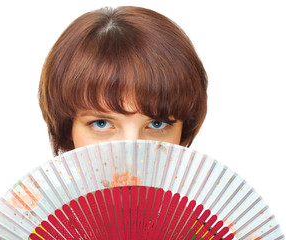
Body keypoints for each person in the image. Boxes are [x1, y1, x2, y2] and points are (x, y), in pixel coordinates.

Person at [39, 6, 208, 156]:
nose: (131, 155)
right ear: (67, 129)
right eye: (102, 123)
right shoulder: (37, 193)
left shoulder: (207, 193)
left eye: (157, 124)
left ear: (183, 129)